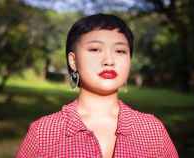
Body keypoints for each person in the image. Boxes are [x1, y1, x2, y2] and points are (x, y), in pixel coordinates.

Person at [15, 13, 178, 158]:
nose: (109, 60)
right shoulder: (44, 132)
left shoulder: (151, 130)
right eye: (95, 49)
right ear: (73, 61)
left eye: (120, 51)